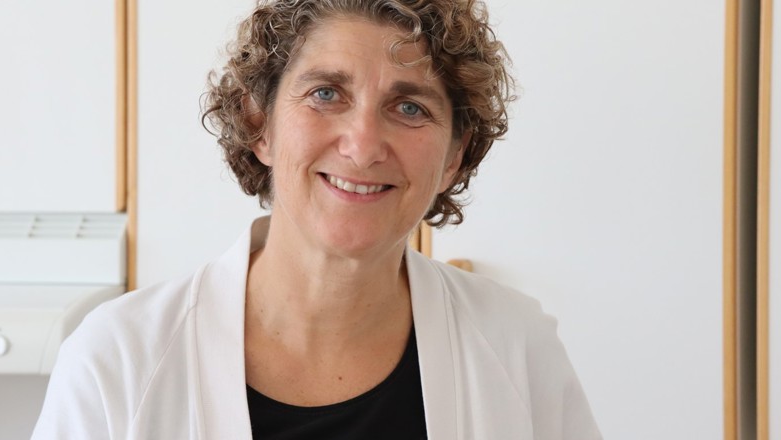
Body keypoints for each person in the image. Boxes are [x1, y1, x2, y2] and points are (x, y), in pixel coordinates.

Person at [32, 0, 601, 438]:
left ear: (454, 154)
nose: (363, 145)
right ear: (259, 125)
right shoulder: (119, 360)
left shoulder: (517, 346)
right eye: (327, 94)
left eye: (409, 107)